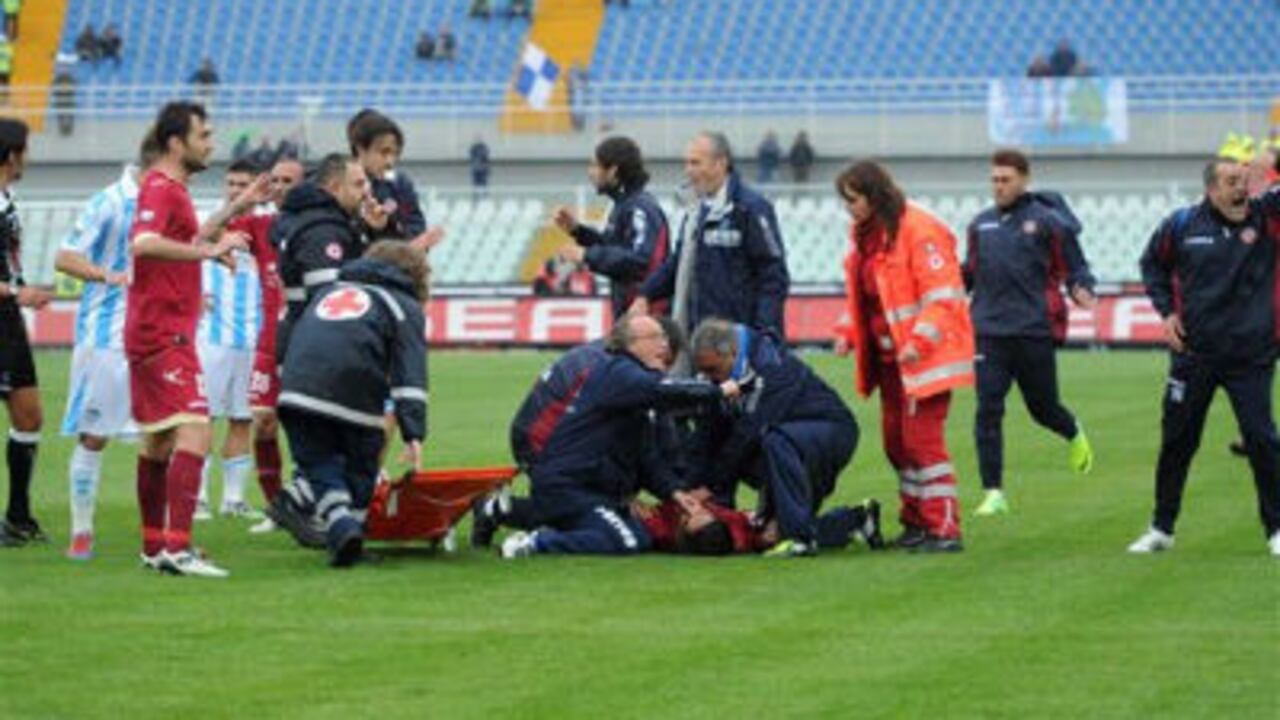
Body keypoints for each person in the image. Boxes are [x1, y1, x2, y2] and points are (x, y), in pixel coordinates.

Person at [125, 101, 268, 577]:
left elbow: (189, 240)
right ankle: (178, 549)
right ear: (175, 142)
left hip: (160, 328)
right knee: (197, 430)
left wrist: (233, 212)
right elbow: (143, 245)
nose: (211, 143)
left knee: (159, 442)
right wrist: (209, 249)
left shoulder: (174, 191)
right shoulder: (161, 188)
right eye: (203, 135)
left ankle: (154, 547)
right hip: (163, 331)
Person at [1129, 158, 1280, 557]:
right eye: (1231, 182)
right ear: (1211, 189)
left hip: (1251, 355)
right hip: (1194, 355)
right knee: (1177, 442)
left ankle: (1277, 530)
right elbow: (1151, 266)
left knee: (1263, 440)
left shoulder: (1267, 217)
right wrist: (1166, 313)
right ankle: (1162, 528)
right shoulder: (1181, 226)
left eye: (1244, 181)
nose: (1240, 189)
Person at [492, 315, 739, 558]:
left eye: (663, 337)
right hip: (572, 483)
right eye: (654, 337)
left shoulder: (621, 378)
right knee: (627, 539)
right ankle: (535, 543)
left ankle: (498, 509)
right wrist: (716, 391)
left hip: (571, 479)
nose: (663, 344)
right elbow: (663, 390)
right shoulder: (620, 373)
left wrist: (673, 492)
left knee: (632, 533)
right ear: (631, 344)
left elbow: (645, 455)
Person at [833, 160, 973, 553]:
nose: (850, 209)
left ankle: (944, 526)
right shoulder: (867, 238)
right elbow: (866, 299)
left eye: (854, 200)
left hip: (924, 361)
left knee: (922, 442)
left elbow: (943, 297)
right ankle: (915, 521)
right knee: (897, 444)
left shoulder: (919, 230)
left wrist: (919, 342)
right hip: (892, 363)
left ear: (874, 196)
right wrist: (848, 333)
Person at [275, 241, 430, 567]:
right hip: (354, 392)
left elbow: (291, 326)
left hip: (296, 388)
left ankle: (336, 523)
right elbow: (410, 372)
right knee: (361, 463)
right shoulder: (402, 306)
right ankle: (350, 528)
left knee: (320, 463)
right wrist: (413, 431)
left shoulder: (328, 290)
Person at [963, 149, 1097, 517]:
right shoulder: (980, 225)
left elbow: (1075, 266)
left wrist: (1082, 287)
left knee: (1042, 408)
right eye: (994, 179)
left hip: (1033, 329)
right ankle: (993, 492)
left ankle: (1071, 430)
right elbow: (969, 273)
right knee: (987, 409)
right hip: (989, 330)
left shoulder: (1049, 222)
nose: (999, 186)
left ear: (1024, 180)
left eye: (1006, 180)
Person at [54, 137, 158, 559]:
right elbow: (64, 257)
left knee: (163, 434)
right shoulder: (110, 201)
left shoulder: (167, 200)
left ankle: (163, 536)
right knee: (95, 435)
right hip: (105, 339)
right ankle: (82, 531)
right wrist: (108, 276)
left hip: (153, 336)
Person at [687, 319, 860, 556]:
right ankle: (854, 521)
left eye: (713, 371)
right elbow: (710, 431)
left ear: (732, 353)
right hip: (791, 439)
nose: (710, 379)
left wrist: (711, 486)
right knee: (766, 536)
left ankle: (798, 540)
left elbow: (750, 431)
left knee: (771, 440)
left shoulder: (772, 367)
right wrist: (690, 487)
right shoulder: (729, 367)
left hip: (830, 432)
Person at [632, 132, 789, 345]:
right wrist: (646, 294)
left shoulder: (750, 208)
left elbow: (773, 275)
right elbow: (678, 262)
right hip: (699, 334)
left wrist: (764, 332)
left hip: (738, 336)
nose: (688, 170)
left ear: (720, 163)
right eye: (687, 163)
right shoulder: (696, 209)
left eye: (696, 163)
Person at [192, 160, 268, 523]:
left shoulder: (266, 227)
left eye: (243, 184)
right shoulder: (210, 223)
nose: (236, 190)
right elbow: (184, 252)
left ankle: (234, 499)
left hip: (251, 338)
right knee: (203, 416)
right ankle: (199, 497)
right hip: (212, 336)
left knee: (243, 418)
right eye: (232, 184)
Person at [0, 118, 53, 547]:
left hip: (7, 321)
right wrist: (17, 292)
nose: (28, 159)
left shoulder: (7, 198)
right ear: (11, 154)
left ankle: (18, 516)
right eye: (25, 150)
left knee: (29, 415)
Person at [553, 136, 670, 320]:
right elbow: (614, 249)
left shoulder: (640, 208)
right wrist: (578, 231)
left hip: (645, 317)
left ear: (613, 171)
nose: (590, 172)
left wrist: (586, 255)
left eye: (595, 165)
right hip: (631, 312)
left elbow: (638, 260)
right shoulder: (624, 205)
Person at [346, 109, 443, 249]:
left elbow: (415, 231)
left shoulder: (399, 185)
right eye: (383, 152)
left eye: (395, 153)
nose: (390, 161)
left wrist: (389, 227)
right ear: (360, 149)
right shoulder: (339, 183)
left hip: (393, 267)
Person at [52, 70, 76, 137]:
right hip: (60, 101)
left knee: (69, 115)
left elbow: (73, 90)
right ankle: (62, 129)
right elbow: (55, 90)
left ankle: (69, 129)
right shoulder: (57, 80)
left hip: (68, 100)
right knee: (61, 115)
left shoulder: (70, 80)